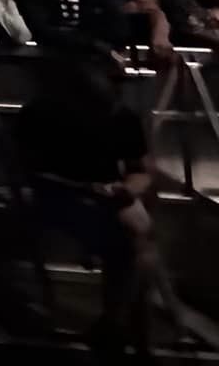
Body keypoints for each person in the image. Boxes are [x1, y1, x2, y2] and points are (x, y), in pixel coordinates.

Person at [15, 49, 160, 357]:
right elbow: (29, 172)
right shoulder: (42, 114)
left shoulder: (121, 116)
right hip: (58, 196)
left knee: (137, 237)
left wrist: (127, 190)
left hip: (107, 195)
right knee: (135, 243)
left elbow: (142, 170)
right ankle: (126, 334)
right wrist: (87, 188)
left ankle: (115, 328)